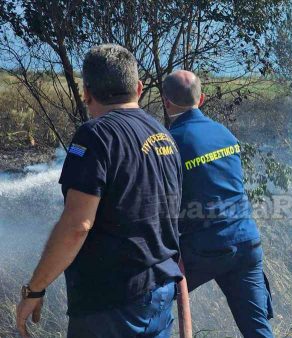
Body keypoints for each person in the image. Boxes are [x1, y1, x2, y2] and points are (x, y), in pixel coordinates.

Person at [16, 44, 185, 338]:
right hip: (158, 293)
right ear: (139, 88)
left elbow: (77, 226)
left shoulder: (95, 135)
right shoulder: (164, 136)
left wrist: (35, 289)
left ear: (87, 93)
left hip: (112, 305)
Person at [163, 70, 274, 338]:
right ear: (201, 99)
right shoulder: (224, 133)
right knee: (258, 330)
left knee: (151, 301)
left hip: (204, 248)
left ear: (166, 102)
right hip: (246, 242)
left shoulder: (170, 142)